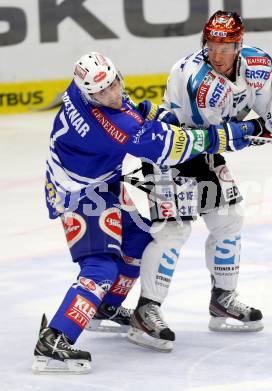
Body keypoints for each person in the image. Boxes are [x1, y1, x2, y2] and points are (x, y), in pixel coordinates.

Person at [32, 51, 257, 373]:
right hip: (79, 194)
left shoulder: (83, 89)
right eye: (101, 92)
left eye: (113, 84)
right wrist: (232, 135)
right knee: (100, 268)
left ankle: (104, 308)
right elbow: (171, 147)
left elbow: (132, 113)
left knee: (137, 242)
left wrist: (151, 114)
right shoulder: (111, 125)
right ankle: (55, 338)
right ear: (87, 93)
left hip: (102, 183)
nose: (111, 95)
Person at [129, 10, 272, 352]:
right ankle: (146, 309)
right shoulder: (194, 78)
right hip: (170, 149)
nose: (217, 53)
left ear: (239, 45)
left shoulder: (259, 64)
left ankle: (222, 300)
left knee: (229, 218)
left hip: (204, 150)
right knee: (174, 229)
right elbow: (214, 138)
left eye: (226, 46)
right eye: (211, 45)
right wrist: (256, 130)